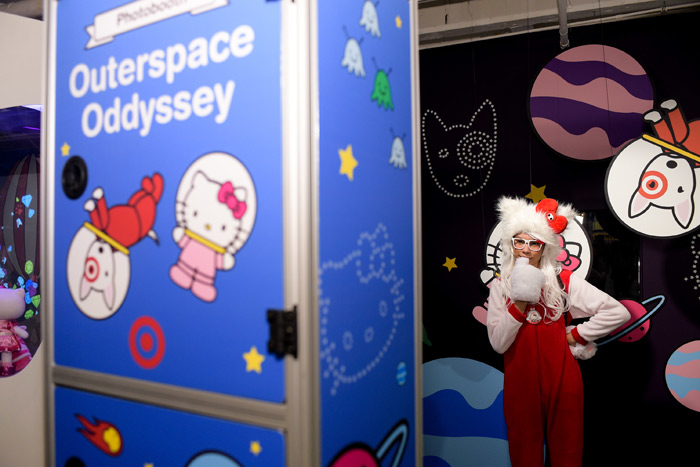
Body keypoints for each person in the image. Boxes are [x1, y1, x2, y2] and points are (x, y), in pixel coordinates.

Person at [486, 196, 630, 467]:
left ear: (545, 247)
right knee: (524, 453)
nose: (526, 250)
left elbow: (618, 312)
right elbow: (498, 343)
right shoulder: (500, 287)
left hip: (563, 377)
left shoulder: (563, 281)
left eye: (534, 243)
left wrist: (575, 335)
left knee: (568, 452)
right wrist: (519, 303)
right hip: (520, 380)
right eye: (519, 242)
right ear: (510, 244)